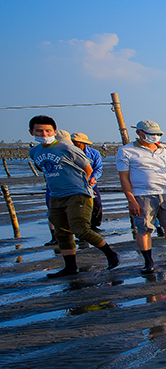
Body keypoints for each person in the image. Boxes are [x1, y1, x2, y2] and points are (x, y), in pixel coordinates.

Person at [28, 117, 119, 275]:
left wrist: (84, 184)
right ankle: (70, 267)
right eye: (39, 131)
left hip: (77, 193)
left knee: (81, 230)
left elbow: (88, 169)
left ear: (55, 132)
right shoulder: (34, 151)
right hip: (56, 195)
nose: (44, 133)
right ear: (32, 132)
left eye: (48, 131)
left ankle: (111, 254)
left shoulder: (67, 148)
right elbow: (44, 170)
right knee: (61, 232)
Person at [116, 119, 166, 273]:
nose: (155, 136)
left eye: (157, 134)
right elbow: (124, 178)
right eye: (151, 134)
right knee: (144, 229)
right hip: (142, 195)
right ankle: (149, 262)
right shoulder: (126, 150)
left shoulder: (164, 149)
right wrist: (131, 200)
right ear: (139, 133)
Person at [69, 132, 105, 233]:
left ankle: (94, 225)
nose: (75, 145)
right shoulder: (69, 153)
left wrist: (93, 178)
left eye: (77, 143)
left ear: (83, 143)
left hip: (90, 183)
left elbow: (98, 169)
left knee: (97, 204)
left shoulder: (94, 154)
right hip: (74, 183)